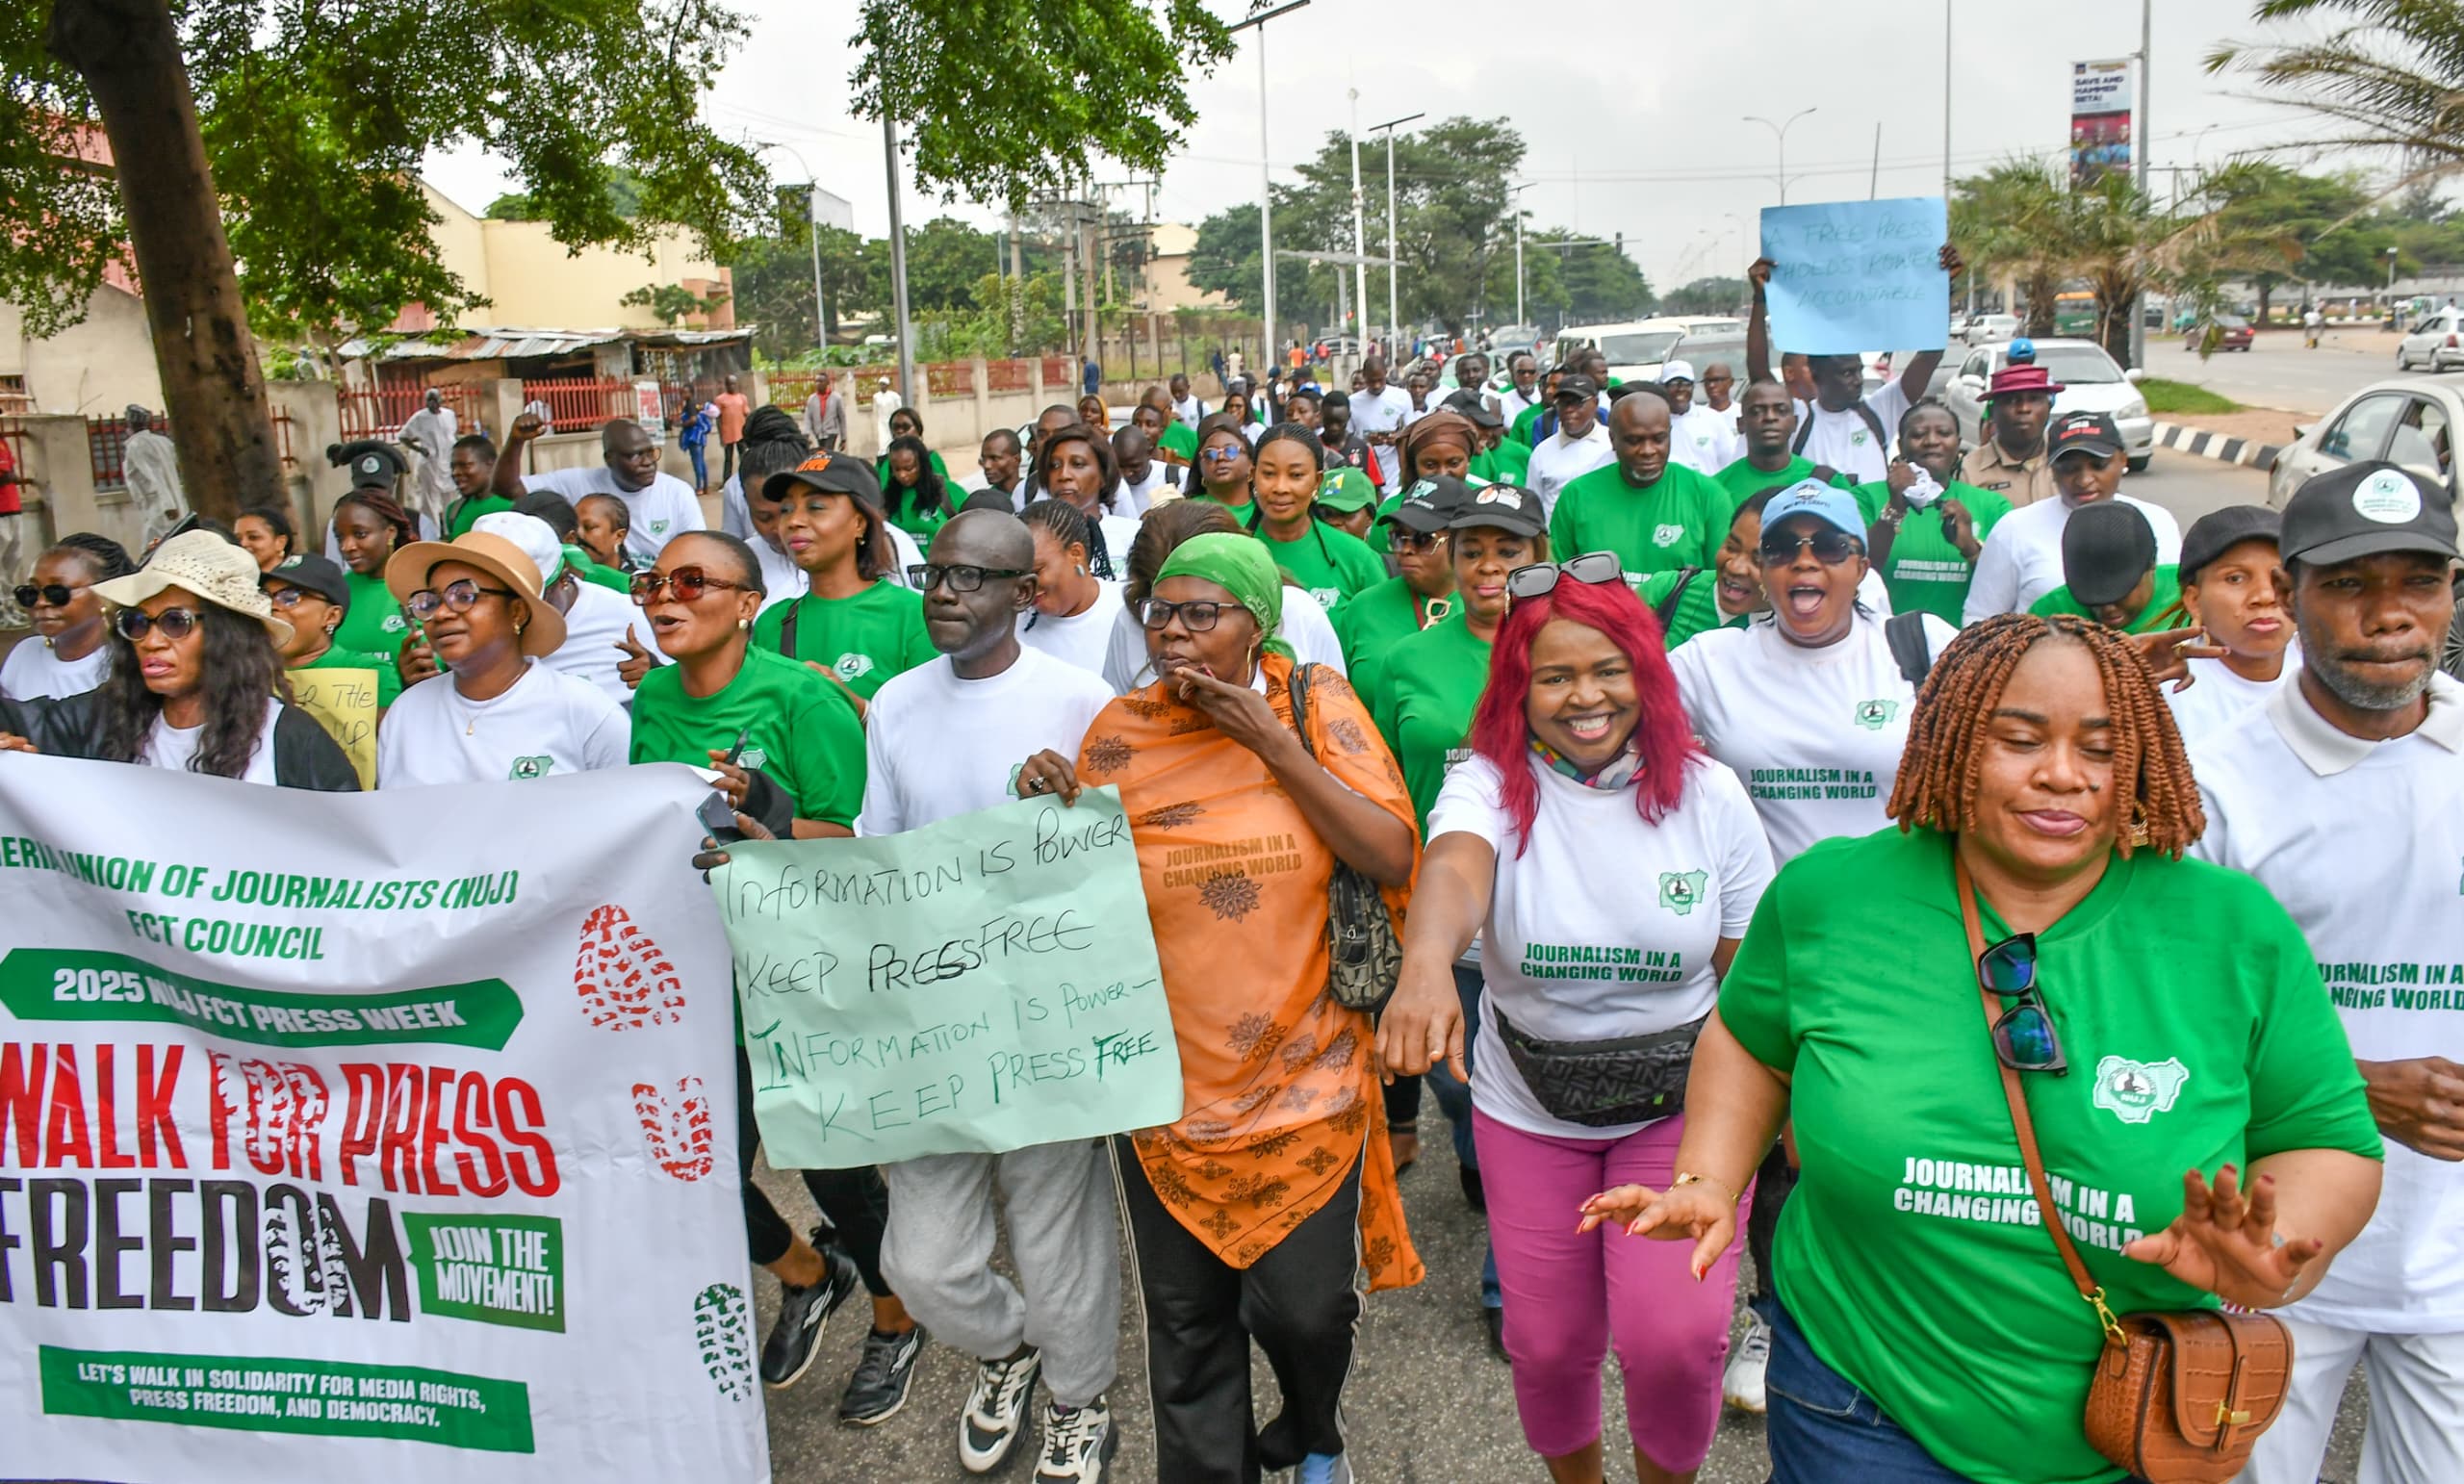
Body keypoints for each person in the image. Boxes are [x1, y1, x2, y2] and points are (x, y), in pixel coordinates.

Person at [1586, 609, 2386, 1484]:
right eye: (2021, 740)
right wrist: (1708, 1177)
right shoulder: (1830, 897)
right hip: (1861, 1400)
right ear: (1954, 738)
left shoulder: (2234, 931)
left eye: (2100, 747)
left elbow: (2326, 1138)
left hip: (2132, 1419)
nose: (2062, 775)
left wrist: (2271, 1253)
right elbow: (1751, 1042)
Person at [1016, 533, 1422, 1484]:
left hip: (1306, 1069)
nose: (1174, 634)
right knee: (1188, 1322)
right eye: (1160, 613)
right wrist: (1045, 804)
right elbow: (1076, 889)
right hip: (1167, 1083)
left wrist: (1269, 743)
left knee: (1307, 1311)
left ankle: (1313, 1430)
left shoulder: (1313, 705)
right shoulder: (1122, 728)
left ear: (1257, 624)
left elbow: (1391, 852)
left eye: (1203, 614)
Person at [1377, 560, 1775, 1484]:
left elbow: (1749, 977)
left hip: (1681, 1111)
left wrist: (1789, 1104)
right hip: (1530, 1109)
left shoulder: (1710, 794)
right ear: (1518, 687)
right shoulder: (1487, 780)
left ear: (1646, 672)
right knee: (1548, 1346)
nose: (1585, 697)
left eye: (1608, 670)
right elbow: (1455, 865)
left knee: (1672, 1342)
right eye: (1554, 676)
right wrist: (1426, 963)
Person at [2194, 463, 2462, 1484]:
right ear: (2290, 592)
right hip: (2268, 1263)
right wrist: (2349, 1090)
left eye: (2420, 582)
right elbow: (2166, 1027)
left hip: (2451, 1271)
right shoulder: (2216, 788)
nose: (2390, 616)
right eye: (2350, 585)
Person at [851, 509, 1124, 1482]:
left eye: (971, 577)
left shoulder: (1082, 700)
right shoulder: (896, 703)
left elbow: (1124, 859)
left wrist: (1077, 807)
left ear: (1025, 593)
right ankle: (1006, 1349)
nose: (943, 592)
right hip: (934, 1018)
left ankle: (1078, 1399)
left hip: (1047, 1013)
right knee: (920, 1261)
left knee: (1056, 1231)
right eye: (934, 573)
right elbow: (879, 852)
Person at [626, 526, 923, 1422]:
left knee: (834, 1172)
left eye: (690, 582)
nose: (664, 597)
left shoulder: (802, 698)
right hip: (691, 977)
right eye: (652, 582)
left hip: (798, 974)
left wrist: (768, 820)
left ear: (748, 604)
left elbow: (853, 839)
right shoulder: (650, 699)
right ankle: (806, 1271)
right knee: (695, 1172)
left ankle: (896, 1316)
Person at [69, 531, 357, 788]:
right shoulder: (107, 721)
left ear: (228, 637)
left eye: (175, 622)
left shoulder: (291, 739)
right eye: (138, 622)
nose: (151, 641)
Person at [374, 528, 629, 786]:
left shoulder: (585, 711)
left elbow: (626, 804)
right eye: (430, 602)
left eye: (464, 596)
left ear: (517, 612)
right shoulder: (405, 714)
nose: (441, 614)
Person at [1745, 247, 1957, 485]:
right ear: (1817, 375)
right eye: (1847, 373)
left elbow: (1930, 356)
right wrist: (1759, 299)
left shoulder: (1879, 409)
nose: (1858, 380)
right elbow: (1760, 377)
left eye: (1859, 370)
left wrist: (1943, 289)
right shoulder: (1799, 418)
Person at [750, 452, 936, 710]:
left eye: (816, 507)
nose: (794, 521)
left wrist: (858, 709)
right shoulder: (771, 624)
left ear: (859, 523)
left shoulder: (914, 616)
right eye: (786, 510)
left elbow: (933, 724)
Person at [1964, 412, 2182, 622]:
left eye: (2098, 466)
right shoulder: (2014, 529)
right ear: (2051, 470)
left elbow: (2173, 601)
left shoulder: (2157, 521)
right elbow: (1980, 617)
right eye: (2069, 469)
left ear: (2123, 460)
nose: (2084, 480)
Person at [1854, 398, 2010, 625]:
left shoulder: (1992, 506)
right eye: (1918, 435)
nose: (1931, 441)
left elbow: (2005, 587)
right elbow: (1856, 571)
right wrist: (1894, 507)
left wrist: (1970, 548)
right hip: (1884, 640)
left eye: (1944, 433)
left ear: (1958, 444)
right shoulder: (1865, 497)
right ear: (1901, 446)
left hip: (1965, 640)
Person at [1549, 390, 1732, 578]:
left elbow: (1718, 582)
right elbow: (1558, 580)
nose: (1647, 451)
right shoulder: (1576, 496)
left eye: (1658, 439)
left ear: (1669, 435)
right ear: (1612, 439)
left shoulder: (1708, 495)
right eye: (1634, 441)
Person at [2164, 505, 2297, 749]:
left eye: (2279, 576)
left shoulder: (2330, 675)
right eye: (2235, 578)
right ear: (2195, 601)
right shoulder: (2168, 690)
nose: (2265, 596)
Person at [476, 512, 643, 706]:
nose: (515, 617)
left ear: (564, 578)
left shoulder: (630, 617)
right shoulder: (466, 627)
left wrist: (656, 673)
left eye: (529, 601)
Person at [499, 414, 706, 564]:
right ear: (609, 459)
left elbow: (696, 552)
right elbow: (508, 488)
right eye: (635, 455)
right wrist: (516, 442)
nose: (648, 462)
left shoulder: (677, 493)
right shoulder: (580, 482)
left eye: (650, 453)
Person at [1245, 423, 1385, 609]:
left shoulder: (1358, 557)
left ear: (1317, 481)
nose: (1280, 487)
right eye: (1269, 474)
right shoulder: (1232, 551)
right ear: (1252, 475)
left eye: (1296, 475)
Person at [1335, 476, 1462, 677]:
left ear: (1461, 541)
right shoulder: (1364, 607)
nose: (1406, 549)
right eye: (1398, 537)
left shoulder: (1486, 612)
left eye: (1423, 538)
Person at [263, 552, 401, 708]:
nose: (272, 606)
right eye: (267, 596)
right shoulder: (252, 671)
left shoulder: (370, 672)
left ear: (331, 616)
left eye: (289, 597)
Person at [4, 534, 132, 701]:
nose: (40, 602)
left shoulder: (128, 663)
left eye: (57, 592)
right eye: (31, 592)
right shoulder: (24, 654)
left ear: (105, 595)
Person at [2028, 501, 2183, 634]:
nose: (2108, 609)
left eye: (2121, 591)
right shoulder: (2049, 614)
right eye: (2091, 594)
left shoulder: (2187, 593)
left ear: (2152, 564)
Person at [1018, 499, 1126, 677]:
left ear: (1076, 554)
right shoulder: (1012, 625)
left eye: (1036, 571)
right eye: (1018, 575)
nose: (1026, 586)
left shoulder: (1128, 610)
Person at [1713, 380, 1848, 512]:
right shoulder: (1715, 488)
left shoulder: (1831, 482)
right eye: (1757, 411)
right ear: (1740, 424)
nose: (1770, 417)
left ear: (1795, 423)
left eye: (1781, 410)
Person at [328, 484, 417, 670]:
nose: (346, 546)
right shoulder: (336, 592)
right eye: (340, 537)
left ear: (390, 533)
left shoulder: (421, 587)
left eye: (360, 534)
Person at [1034, 422, 1142, 572]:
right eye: (1054, 466)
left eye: (1078, 464)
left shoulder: (1134, 536)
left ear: (1103, 475)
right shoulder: (1032, 539)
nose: (1063, 475)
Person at [1957, 361, 2064, 508]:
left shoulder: (2068, 457)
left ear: (2049, 407)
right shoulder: (1970, 470)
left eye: (2034, 399)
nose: (2024, 408)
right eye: (2011, 401)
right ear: (1992, 413)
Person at [1526, 374, 1614, 514]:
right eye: (1563, 403)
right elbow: (1532, 505)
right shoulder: (1542, 452)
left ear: (1595, 403)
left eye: (1577, 402)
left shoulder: (1613, 444)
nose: (1569, 409)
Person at [123, 406, 188, 550]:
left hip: (160, 507)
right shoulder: (163, 442)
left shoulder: (136, 445)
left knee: (156, 549)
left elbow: (154, 475)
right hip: (172, 503)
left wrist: (168, 505)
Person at [1659, 360, 1740, 474]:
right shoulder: (1656, 422)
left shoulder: (1712, 418)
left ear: (1693, 386)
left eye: (1686, 383)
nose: (1680, 389)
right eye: (1673, 384)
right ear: (1663, 387)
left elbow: (1730, 462)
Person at [878, 435, 955, 544]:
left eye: (909, 468)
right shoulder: (889, 497)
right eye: (897, 469)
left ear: (922, 465)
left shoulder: (945, 489)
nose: (902, 475)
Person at [400, 388, 460, 524]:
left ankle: (449, 528)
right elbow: (403, 437)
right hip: (430, 463)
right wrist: (420, 449)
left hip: (448, 461)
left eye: (435, 400)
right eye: (429, 400)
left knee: (451, 497)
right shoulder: (420, 418)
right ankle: (433, 531)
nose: (433, 403)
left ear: (440, 400)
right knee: (430, 500)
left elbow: (452, 435)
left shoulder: (449, 415)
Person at [443, 433, 513, 537]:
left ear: (491, 465)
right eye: (453, 467)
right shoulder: (454, 511)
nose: (455, 473)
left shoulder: (511, 507)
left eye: (465, 465)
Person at [1188, 418, 1257, 520]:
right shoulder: (1187, 512)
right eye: (1210, 454)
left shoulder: (1268, 511)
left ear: (1251, 468)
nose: (1220, 458)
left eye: (1231, 451)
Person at [1113, 426, 1174, 511]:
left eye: (1134, 466)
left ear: (1149, 453)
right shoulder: (1108, 486)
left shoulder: (1175, 477)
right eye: (1120, 466)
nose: (1127, 473)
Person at [575, 493, 634, 575]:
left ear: (619, 536)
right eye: (573, 526)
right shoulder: (562, 575)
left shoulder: (634, 581)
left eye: (589, 527)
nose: (578, 534)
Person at [976, 428, 1029, 510]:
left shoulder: (1034, 495)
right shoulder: (984, 503)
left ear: (1016, 459)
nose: (987, 465)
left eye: (994, 458)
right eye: (984, 459)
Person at [233, 505, 296, 573]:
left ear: (280, 542)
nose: (243, 544)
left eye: (253, 537)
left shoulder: (299, 577)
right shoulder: (234, 577)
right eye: (238, 539)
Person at [680, 384, 717, 492]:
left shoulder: (690, 404)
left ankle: (699, 487)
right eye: (682, 392)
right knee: (701, 461)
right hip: (700, 437)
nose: (683, 395)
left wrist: (683, 424)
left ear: (691, 393)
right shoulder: (696, 403)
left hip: (694, 437)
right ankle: (705, 486)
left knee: (697, 462)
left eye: (685, 392)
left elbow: (693, 419)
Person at [714, 374, 751, 482]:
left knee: (743, 457)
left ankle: (745, 478)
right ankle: (726, 480)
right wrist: (721, 436)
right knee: (728, 459)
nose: (732, 386)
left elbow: (747, 414)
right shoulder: (720, 399)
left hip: (741, 434)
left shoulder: (742, 398)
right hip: (728, 434)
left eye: (734, 384)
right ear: (726, 385)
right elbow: (718, 419)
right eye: (729, 384)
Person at [1497, 352, 1544, 431]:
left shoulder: (1544, 395)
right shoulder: (1503, 399)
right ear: (1514, 375)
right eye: (1521, 372)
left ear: (1537, 375)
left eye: (1531, 372)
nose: (1526, 376)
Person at [804, 372, 846, 452]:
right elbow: (808, 417)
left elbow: (842, 418)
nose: (818, 384)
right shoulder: (811, 399)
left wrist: (843, 438)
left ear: (827, 383)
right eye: (816, 381)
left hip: (831, 432)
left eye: (821, 381)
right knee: (822, 453)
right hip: (818, 433)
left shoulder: (836, 398)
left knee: (827, 452)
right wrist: (806, 434)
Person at [874, 376, 906, 451]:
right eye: (881, 384)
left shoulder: (894, 396)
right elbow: (876, 409)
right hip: (882, 421)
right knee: (883, 438)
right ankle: (884, 452)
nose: (882, 386)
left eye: (884, 384)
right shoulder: (876, 396)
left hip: (892, 419)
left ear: (887, 385)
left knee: (892, 436)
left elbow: (899, 407)